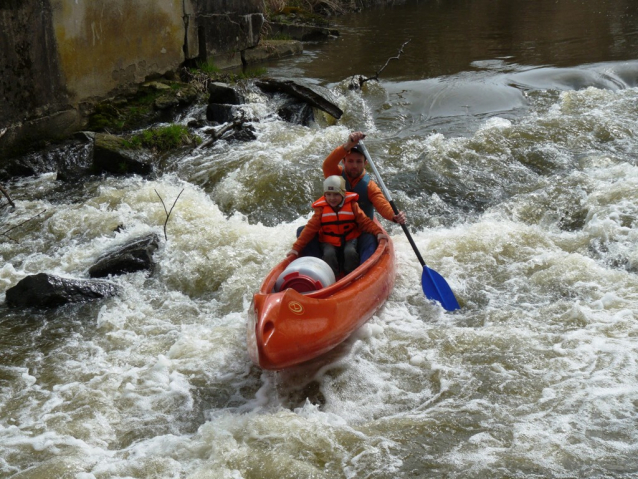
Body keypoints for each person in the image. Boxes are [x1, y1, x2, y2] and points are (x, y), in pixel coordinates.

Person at [322, 131, 406, 262]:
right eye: (350, 161)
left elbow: (382, 205)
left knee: (368, 240)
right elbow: (327, 164)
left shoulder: (369, 186)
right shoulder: (336, 175)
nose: (354, 166)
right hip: (334, 229)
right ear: (343, 162)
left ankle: (362, 269)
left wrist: (394, 216)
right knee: (302, 231)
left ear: (365, 163)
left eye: (358, 161)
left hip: (360, 232)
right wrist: (347, 145)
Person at [288, 176, 388, 276]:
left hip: (349, 238)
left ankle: (352, 275)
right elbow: (309, 229)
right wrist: (296, 248)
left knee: (350, 252)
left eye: (336, 194)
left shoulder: (352, 205)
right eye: (328, 194)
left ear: (343, 194)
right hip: (328, 241)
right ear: (324, 195)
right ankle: (331, 276)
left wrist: (378, 232)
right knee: (329, 254)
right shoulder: (321, 209)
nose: (332, 198)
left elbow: (365, 222)